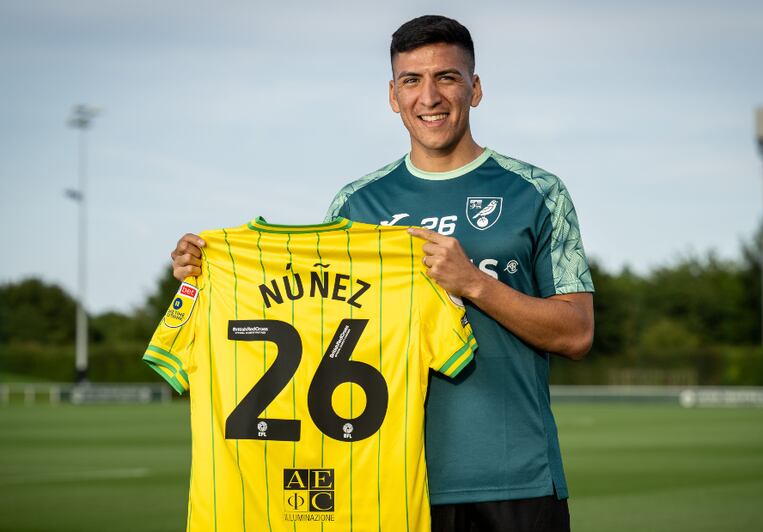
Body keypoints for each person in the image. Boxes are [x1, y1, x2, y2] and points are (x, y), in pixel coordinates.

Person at [171, 15, 594, 532]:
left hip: (516, 479)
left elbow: (577, 334)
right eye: (412, 80)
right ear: (393, 96)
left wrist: (474, 283)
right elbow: (310, 327)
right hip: (380, 484)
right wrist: (206, 278)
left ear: (475, 89)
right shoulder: (355, 203)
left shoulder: (538, 191)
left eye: (447, 77)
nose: (429, 96)